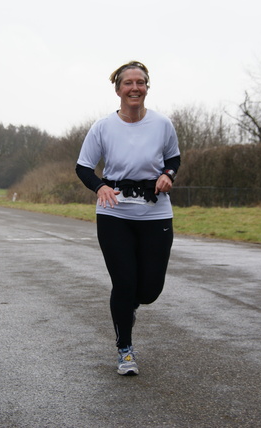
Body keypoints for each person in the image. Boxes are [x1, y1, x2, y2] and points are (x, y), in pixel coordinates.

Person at [75, 61, 181, 376]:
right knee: (124, 283)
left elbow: (174, 157)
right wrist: (100, 186)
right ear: (118, 88)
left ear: (147, 87)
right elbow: (83, 167)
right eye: (128, 83)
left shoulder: (162, 124)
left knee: (148, 290)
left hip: (155, 209)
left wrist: (168, 174)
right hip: (115, 212)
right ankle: (125, 350)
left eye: (140, 82)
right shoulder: (103, 127)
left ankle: (129, 308)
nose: (135, 88)